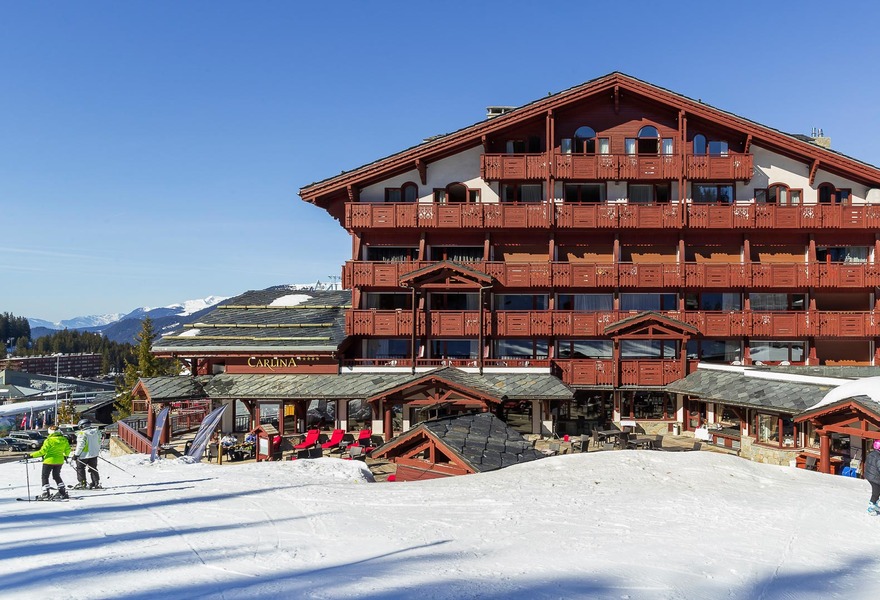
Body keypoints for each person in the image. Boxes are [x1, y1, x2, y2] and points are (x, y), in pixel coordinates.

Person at [29, 425, 70, 499]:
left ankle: (46, 492)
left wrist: (31, 455)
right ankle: (62, 491)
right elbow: (67, 450)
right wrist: (65, 455)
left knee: (45, 476)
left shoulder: (49, 440)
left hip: (49, 461)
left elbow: (42, 451)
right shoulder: (64, 439)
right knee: (56, 476)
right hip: (59, 461)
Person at [71, 418, 102, 490]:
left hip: (83, 455)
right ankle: (96, 482)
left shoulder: (82, 434)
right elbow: (99, 442)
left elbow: (80, 445)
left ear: (82, 426)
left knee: (80, 468)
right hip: (94, 454)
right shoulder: (97, 432)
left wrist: (76, 454)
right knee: (93, 468)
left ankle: (82, 483)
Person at [865, 439, 880, 514]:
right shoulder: (878, 456)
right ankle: (871, 507)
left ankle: (875, 504)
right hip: (875, 478)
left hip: (870, 475)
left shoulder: (871, 454)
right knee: (876, 492)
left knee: (877, 491)